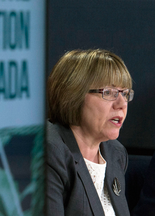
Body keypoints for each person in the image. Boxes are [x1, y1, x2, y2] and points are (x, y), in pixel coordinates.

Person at [46, 49, 134, 216]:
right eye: (108, 92)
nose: (122, 104)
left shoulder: (115, 153)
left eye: (125, 93)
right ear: (73, 95)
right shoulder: (49, 152)